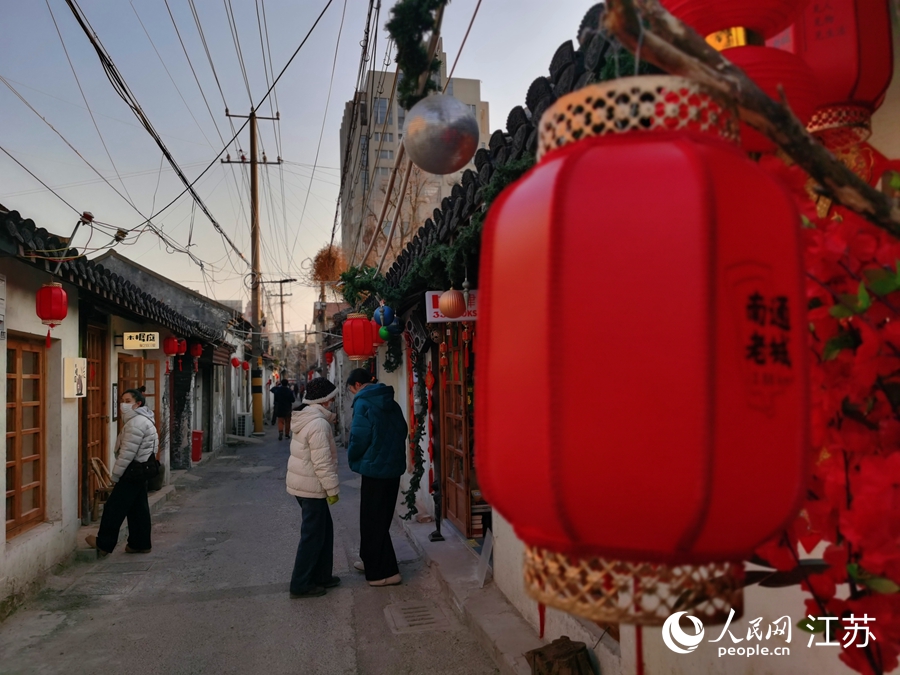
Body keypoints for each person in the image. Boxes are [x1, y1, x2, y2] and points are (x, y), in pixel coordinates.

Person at [346, 368, 408, 587]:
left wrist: (353, 458)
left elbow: (358, 438)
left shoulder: (363, 403)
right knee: (380, 519)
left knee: (372, 520)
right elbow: (403, 430)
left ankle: (385, 572)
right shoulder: (391, 401)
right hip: (392, 469)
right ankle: (371, 560)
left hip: (374, 469)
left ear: (356, 386)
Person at [86, 388, 158, 557]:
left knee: (114, 507)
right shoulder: (144, 420)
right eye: (122, 401)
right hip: (141, 470)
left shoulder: (136, 423)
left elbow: (127, 453)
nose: (123, 405)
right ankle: (139, 543)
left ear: (138, 404)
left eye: (128, 401)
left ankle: (104, 543)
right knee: (138, 508)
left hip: (132, 470)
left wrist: (115, 476)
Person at [287, 377, 341, 598]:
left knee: (324, 531)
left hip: (305, 484)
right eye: (332, 398)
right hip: (311, 486)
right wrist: (332, 489)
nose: (334, 401)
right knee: (312, 536)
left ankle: (322, 576)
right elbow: (321, 462)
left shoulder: (309, 417)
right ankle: (300, 584)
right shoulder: (318, 423)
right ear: (324, 400)